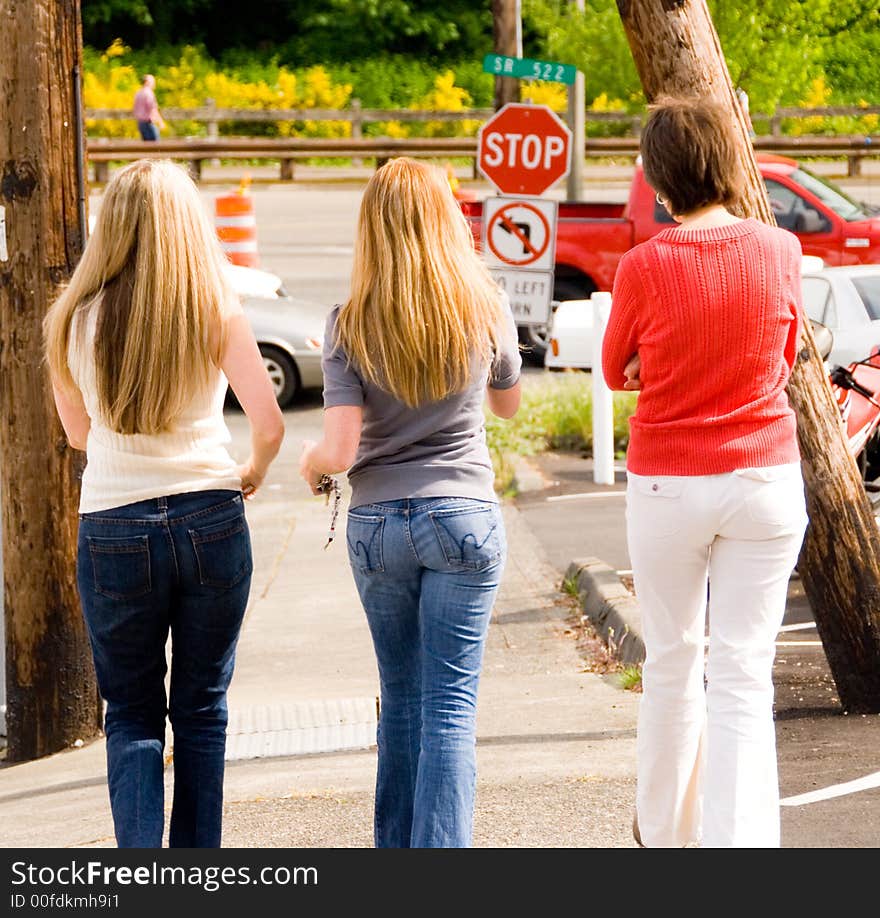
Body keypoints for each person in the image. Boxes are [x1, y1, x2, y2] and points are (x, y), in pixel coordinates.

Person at [44, 159, 284, 848]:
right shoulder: (214, 309)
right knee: (203, 709)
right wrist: (253, 470)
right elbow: (268, 424)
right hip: (210, 513)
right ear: (188, 226)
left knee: (132, 713)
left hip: (115, 523)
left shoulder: (70, 321)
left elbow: (77, 433)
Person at [602, 97, 807, 848]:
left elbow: (615, 370)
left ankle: (663, 834)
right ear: (727, 162)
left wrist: (661, 366)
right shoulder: (778, 250)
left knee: (672, 661)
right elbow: (784, 361)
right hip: (762, 477)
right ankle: (738, 848)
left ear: (658, 176)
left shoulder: (644, 266)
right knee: (745, 675)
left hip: (667, 483)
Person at [299, 157, 522, 848]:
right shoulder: (485, 306)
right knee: (450, 706)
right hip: (462, 517)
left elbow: (339, 450)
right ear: (447, 220)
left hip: (377, 529)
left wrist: (310, 466)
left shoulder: (349, 323)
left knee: (400, 699)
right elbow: (509, 407)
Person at [133, 74, 165, 141]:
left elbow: (135, 109)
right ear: (147, 82)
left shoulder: (138, 93)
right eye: (153, 82)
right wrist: (160, 122)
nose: (154, 84)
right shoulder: (149, 93)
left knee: (146, 147)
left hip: (140, 123)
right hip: (148, 123)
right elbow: (153, 108)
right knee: (157, 147)